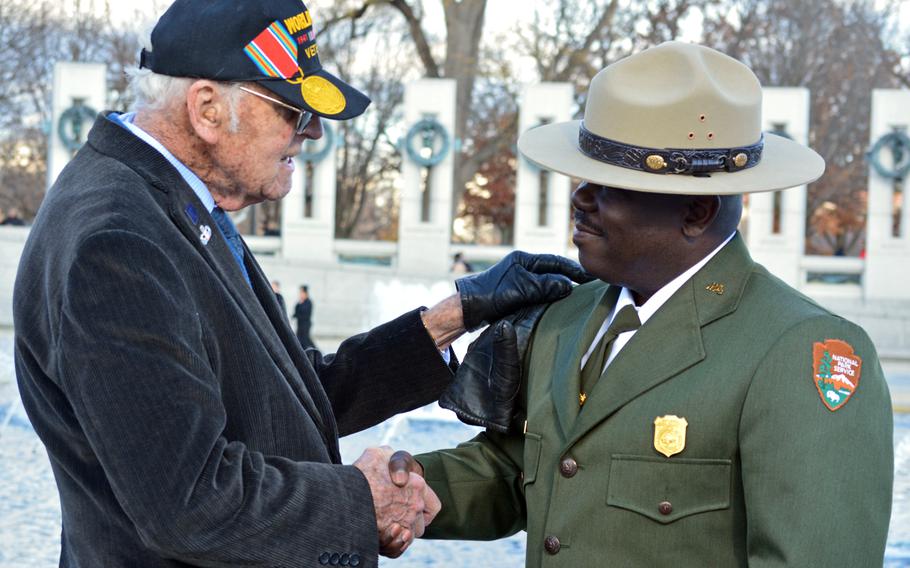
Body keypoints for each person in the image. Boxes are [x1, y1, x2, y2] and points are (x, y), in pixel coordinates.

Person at [11, 0, 591, 565]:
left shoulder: (171, 202)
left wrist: (450, 317)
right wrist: (362, 502)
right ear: (208, 108)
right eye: (292, 111)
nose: (310, 134)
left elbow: (276, 400)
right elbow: (189, 502)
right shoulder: (118, 242)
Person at [391, 42, 893, 566]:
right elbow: (534, 472)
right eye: (587, 177)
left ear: (696, 212)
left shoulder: (798, 351)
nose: (579, 198)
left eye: (611, 187)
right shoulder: (568, 317)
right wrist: (411, 486)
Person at [294, 284, 315, 349]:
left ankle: (315, 350)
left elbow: (306, 314)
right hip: (300, 325)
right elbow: (296, 312)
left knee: (306, 340)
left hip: (305, 325)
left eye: (302, 292)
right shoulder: (300, 302)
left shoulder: (308, 302)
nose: (300, 294)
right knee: (300, 340)